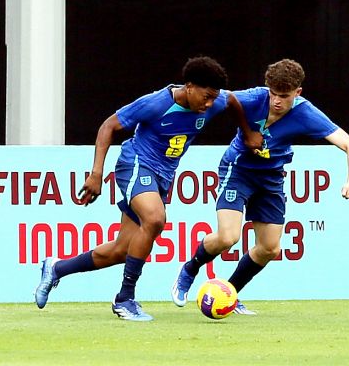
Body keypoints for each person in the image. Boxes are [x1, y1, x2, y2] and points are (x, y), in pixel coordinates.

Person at [34, 56, 262, 321]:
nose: (210, 104)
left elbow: (232, 100)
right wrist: (96, 173)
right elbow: (109, 126)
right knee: (154, 219)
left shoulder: (214, 101)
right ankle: (124, 299)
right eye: (206, 96)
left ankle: (56, 268)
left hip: (163, 176)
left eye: (213, 98)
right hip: (136, 165)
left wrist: (247, 133)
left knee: (121, 250)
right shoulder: (156, 103)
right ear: (189, 86)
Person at [171, 58, 349, 314]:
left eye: (284, 96)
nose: (276, 101)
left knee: (270, 248)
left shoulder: (306, 113)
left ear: (298, 92)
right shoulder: (254, 98)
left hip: (271, 179)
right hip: (237, 170)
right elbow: (216, 98)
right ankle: (190, 270)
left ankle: (230, 293)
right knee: (228, 237)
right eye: (273, 94)